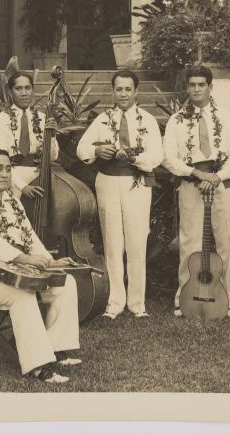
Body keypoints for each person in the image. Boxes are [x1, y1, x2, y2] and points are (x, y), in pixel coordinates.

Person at [0, 149, 81, 383]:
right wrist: (25, 259)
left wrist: (50, 262)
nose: (5, 174)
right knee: (22, 295)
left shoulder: (12, 201)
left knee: (65, 282)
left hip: (14, 270)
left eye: (8, 169)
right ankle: (39, 366)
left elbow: (29, 237)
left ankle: (56, 348)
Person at [76, 70, 163, 319]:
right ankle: (114, 302)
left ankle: (137, 303)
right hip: (108, 182)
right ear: (112, 92)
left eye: (128, 89)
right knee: (112, 242)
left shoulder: (147, 120)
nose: (123, 94)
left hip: (135, 182)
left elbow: (157, 155)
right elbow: (82, 148)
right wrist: (98, 150)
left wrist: (136, 158)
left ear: (136, 92)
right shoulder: (102, 119)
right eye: (118, 89)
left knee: (137, 242)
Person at [162, 66, 230, 318]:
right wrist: (197, 174)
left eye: (201, 84)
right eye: (192, 85)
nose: (196, 89)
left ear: (210, 86)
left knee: (225, 240)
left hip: (220, 184)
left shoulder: (226, 117)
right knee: (190, 241)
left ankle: (228, 300)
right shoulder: (177, 120)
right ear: (187, 88)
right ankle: (184, 298)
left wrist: (217, 177)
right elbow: (168, 157)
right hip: (191, 183)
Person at [0, 72, 58, 199]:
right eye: (18, 89)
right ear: (10, 92)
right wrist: (22, 186)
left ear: (32, 90)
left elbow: (52, 158)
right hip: (11, 181)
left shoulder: (43, 119)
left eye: (27, 88)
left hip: (40, 180)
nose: (24, 93)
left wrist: (52, 136)